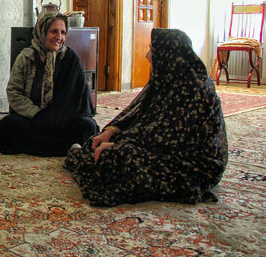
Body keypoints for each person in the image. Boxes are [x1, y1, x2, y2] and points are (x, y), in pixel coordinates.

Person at [64, 28, 228, 207]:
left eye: (152, 50)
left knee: (120, 156)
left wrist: (120, 144)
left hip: (190, 163)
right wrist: (112, 131)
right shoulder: (167, 78)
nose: (147, 55)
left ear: (169, 54)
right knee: (96, 142)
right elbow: (140, 117)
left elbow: (169, 138)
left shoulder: (196, 91)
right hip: (159, 146)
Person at [0, 11, 99, 156]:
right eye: (54, 31)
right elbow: (14, 93)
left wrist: (57, 118)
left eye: (63, 32)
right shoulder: (26, 58)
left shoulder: (70, 58)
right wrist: (37, 115)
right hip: (35, 120)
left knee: (88, 126)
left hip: (64, 122)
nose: (59, 37)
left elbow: (76, 99)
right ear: (42, 32)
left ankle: (46, 147)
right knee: (7, 126)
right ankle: (66, 147)